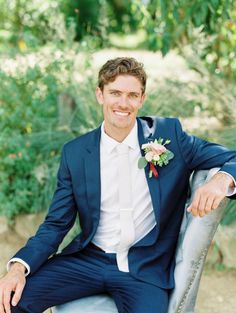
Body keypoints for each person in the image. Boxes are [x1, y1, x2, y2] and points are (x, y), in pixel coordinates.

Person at [0, 57, 236, 313]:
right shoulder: (76, 153)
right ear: (100, 95)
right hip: (87, 260)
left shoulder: (169, 136)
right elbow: (56, 223)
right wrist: (18, 267)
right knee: (9, 302)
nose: (123, 103)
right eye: (115, 93)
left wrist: (222, 180)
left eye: (132, 95)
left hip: (145, 270)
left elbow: (232, 158)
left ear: (142, 99)